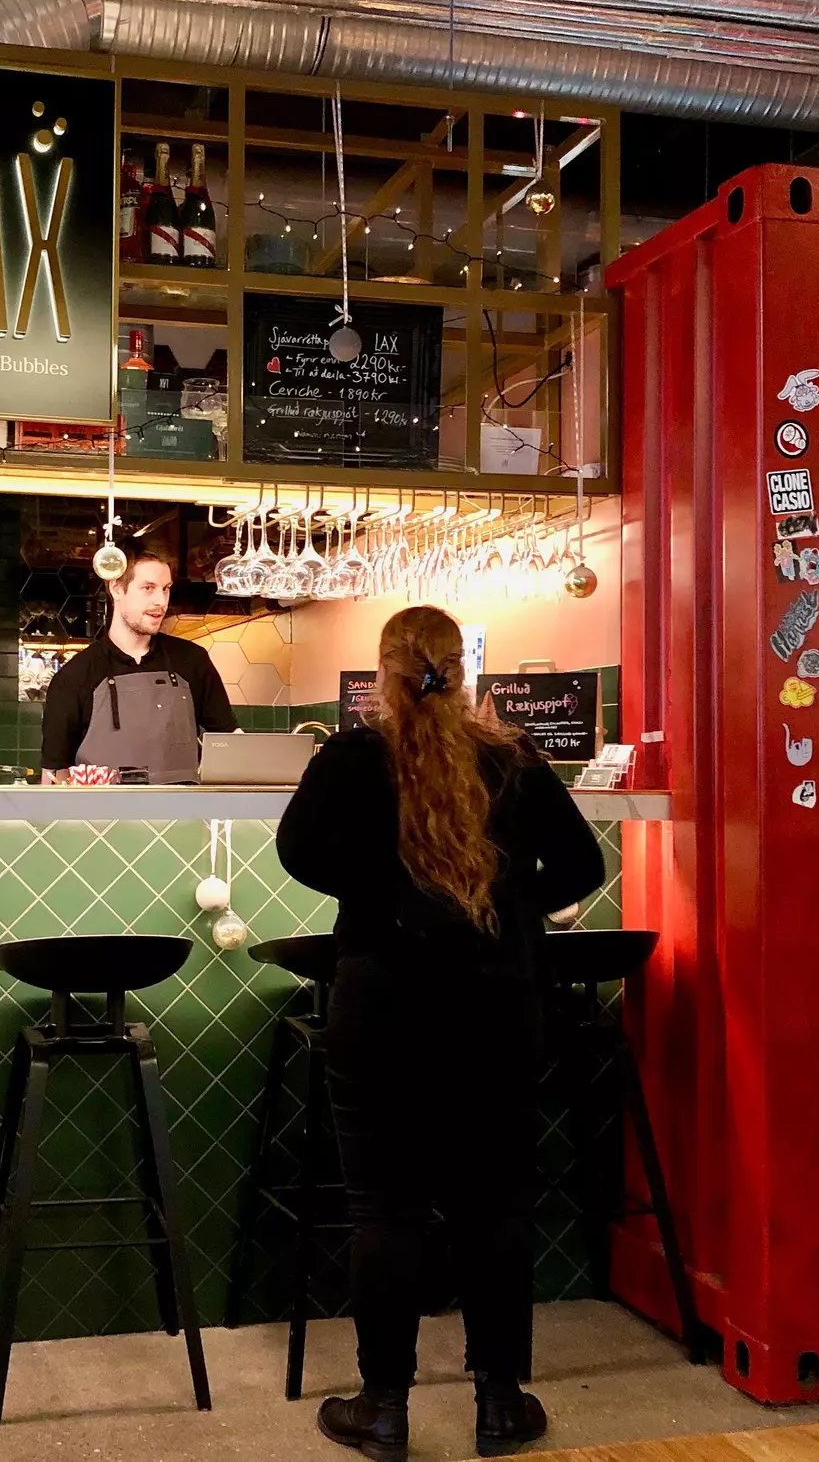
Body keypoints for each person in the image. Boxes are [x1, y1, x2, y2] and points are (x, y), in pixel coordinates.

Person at [276, 605, 606, 1462]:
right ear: (464, 669)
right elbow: (582, 868)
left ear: (384, 673)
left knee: (383, 1209)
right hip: (497, 1006)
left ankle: (383, 1409)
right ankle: (499, 1404)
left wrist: (386, 896)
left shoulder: (350, 758)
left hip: (382, 1003)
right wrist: (496, 906)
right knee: (494, 1206)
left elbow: (297, 853)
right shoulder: (513, 758)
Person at [40, 545, 235, 783]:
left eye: (165, 589)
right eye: (148, 589)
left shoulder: (192, 660)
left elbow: (231, 741)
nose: (160, 601)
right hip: (103, 819)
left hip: (185, 816)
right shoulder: (75, 676)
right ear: (117, 588)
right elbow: (54, 776)